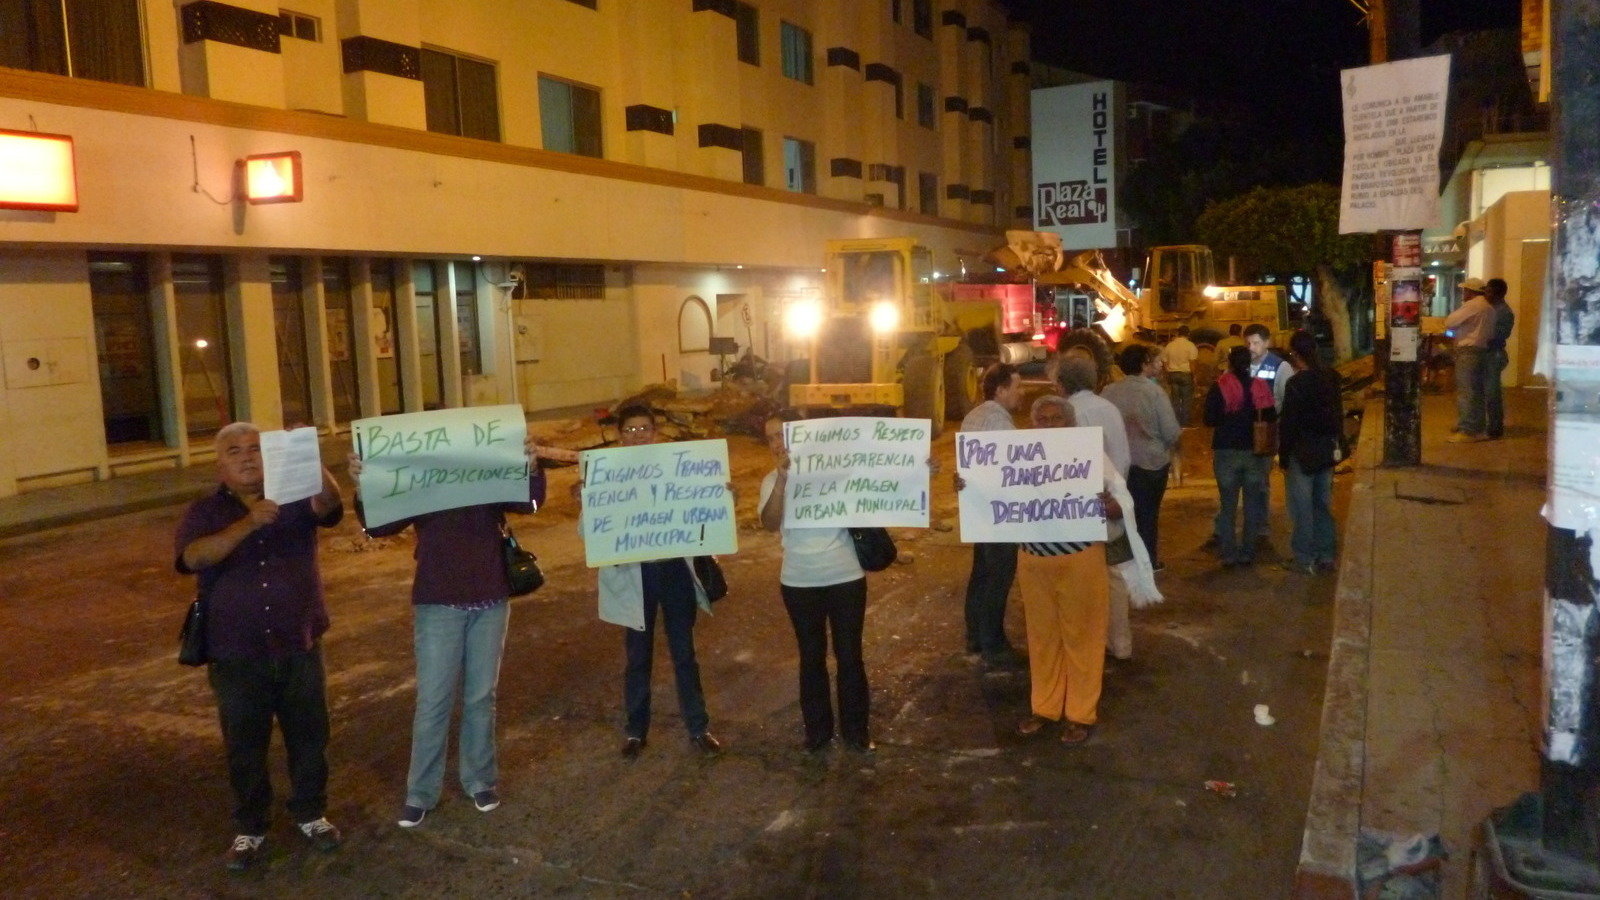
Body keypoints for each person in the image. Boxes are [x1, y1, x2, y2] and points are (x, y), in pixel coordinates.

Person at [349, 435, 546, 829]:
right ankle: (420, 792)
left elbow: (529, 502)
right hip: (438, 601)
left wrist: (533, 467)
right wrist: (363, 485)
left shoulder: (485, 472)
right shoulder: (420, 480)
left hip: (490, 598)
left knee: (480, 697)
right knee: (434, 701)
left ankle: (480, 780)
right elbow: (379, 524)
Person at [174, 422, 345, 872]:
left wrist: (309, 457)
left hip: (298, 641)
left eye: (255, 448)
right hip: (235, 651)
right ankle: (250, 827)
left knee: (309, 735)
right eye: (235, 451)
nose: (247, 457)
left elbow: (330, 506)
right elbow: (193, 557)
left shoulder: (295, 497)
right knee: (245, 744)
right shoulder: (206, 511)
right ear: (220, 464)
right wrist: (249, 523)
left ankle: (311, 813)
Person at [590, 404, 723, 760]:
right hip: (636, 574)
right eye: (630, 430)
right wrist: (588, 503)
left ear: (656, 432)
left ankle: (699, 727)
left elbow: (704, 514)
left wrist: (722, 498)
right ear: (619, 436)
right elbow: (593, 535)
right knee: (638, 657)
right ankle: (636, 730)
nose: (638, 436)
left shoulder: (677, 469)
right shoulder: (608, 476)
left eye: (644, 429)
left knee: (684, 653)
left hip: (675, 571)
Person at [1004, 396, 1139, 745]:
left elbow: (1123, 498)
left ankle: (1080, 713)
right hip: (1033, 561)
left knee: (1083, 638)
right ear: (1033, 424)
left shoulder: (1089, 454)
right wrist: (967, 484)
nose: (1050, 425)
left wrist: (1112, 505)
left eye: (1057, 419)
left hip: (1080, 559)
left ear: (1070, 423)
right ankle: (1044, 708)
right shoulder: (1018, 457)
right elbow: (990, 493)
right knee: (1042, 638)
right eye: (1042, 419)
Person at [760, 411, 874, 753]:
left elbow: (885, 486)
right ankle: (818, 732)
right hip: (799, 581)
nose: (777, 443)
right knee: (811, 658)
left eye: (782, 435)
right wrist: (783, 482)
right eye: (770, 438)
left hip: (845, 577)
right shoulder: (771, 480)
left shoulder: (838, 472)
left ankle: (856, 731)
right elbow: (769, 523)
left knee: (850, 656)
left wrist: (920, 472)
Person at [958, 363, 1025, 668]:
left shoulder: (973, 415)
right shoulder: (999, 422)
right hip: (999, 511)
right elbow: (1010, 469)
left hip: (978, 509)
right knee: (998, 578)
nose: (1021, 393)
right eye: (1017, 387)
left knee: (981, 575)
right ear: (1000, 390)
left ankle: (975, 636)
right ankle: (993, 644)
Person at [1101, 343, 1181, 571]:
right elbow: (1171, 431)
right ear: (1145, 364)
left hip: (1118, 465)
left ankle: (1123, 561)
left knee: (1121, 514)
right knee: (1148, 515)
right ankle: (1147, 562)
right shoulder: (1154, 392)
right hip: (1150, 463)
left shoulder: (1109, 392)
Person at [1203, 346, 1277, 567]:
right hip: (1254, 452)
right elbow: (1271, 417)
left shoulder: (1220, 386)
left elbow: (1209, 419)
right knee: (1252, 504)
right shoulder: (1260, 386)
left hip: (1226, 451)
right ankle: (1248, 553)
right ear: (1249, 363)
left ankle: (1228, 554)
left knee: (1228, 505)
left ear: (1230, 363)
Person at [1277, 330, 1343, 575]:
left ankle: (1304, 558)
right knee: (1322, 504)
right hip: (1326, 450)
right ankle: (1326, 555)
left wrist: (1283, 456)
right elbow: (1338, 414)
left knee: (1302, 508)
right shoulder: (1330, 377)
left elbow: (1289, 424)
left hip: (1302, 453)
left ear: (1295, 355)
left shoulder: (1297, 384)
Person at [1443, 276, 1495, 442]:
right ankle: (1477, 427)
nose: (1463, 293)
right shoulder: (1489, 308)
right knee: (1477, 391)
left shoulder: (1473, 305)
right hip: (1481, 350)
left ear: (1470, 291)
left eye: (1465, 290)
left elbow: (1450, 321)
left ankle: (1468, 430)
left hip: (1468, 351)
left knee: (1467, 391)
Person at [1484, 277, 1516, 440]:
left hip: (1493, 353)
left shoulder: (1503, 312)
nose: (1486, 294)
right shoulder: (1491, 308)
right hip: (1488, 352)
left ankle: (1495, 426)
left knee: (1492, 392)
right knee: (1487, 391)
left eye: (1488, 291)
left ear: (1497, 293)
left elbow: (1500, 334)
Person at [1160, 325, 1199, 426]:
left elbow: (1164, 361)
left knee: (1175, 400)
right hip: (1186, 375)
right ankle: (1185, 422)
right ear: (1188, 334)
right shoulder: (1190, 345)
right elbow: (1192, 363)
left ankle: (1176, 421)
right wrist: (1194, 376)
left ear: (1178, 333)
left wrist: (1167, 372)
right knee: (1186, 399)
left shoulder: (1169, 345)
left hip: (1172, 374)